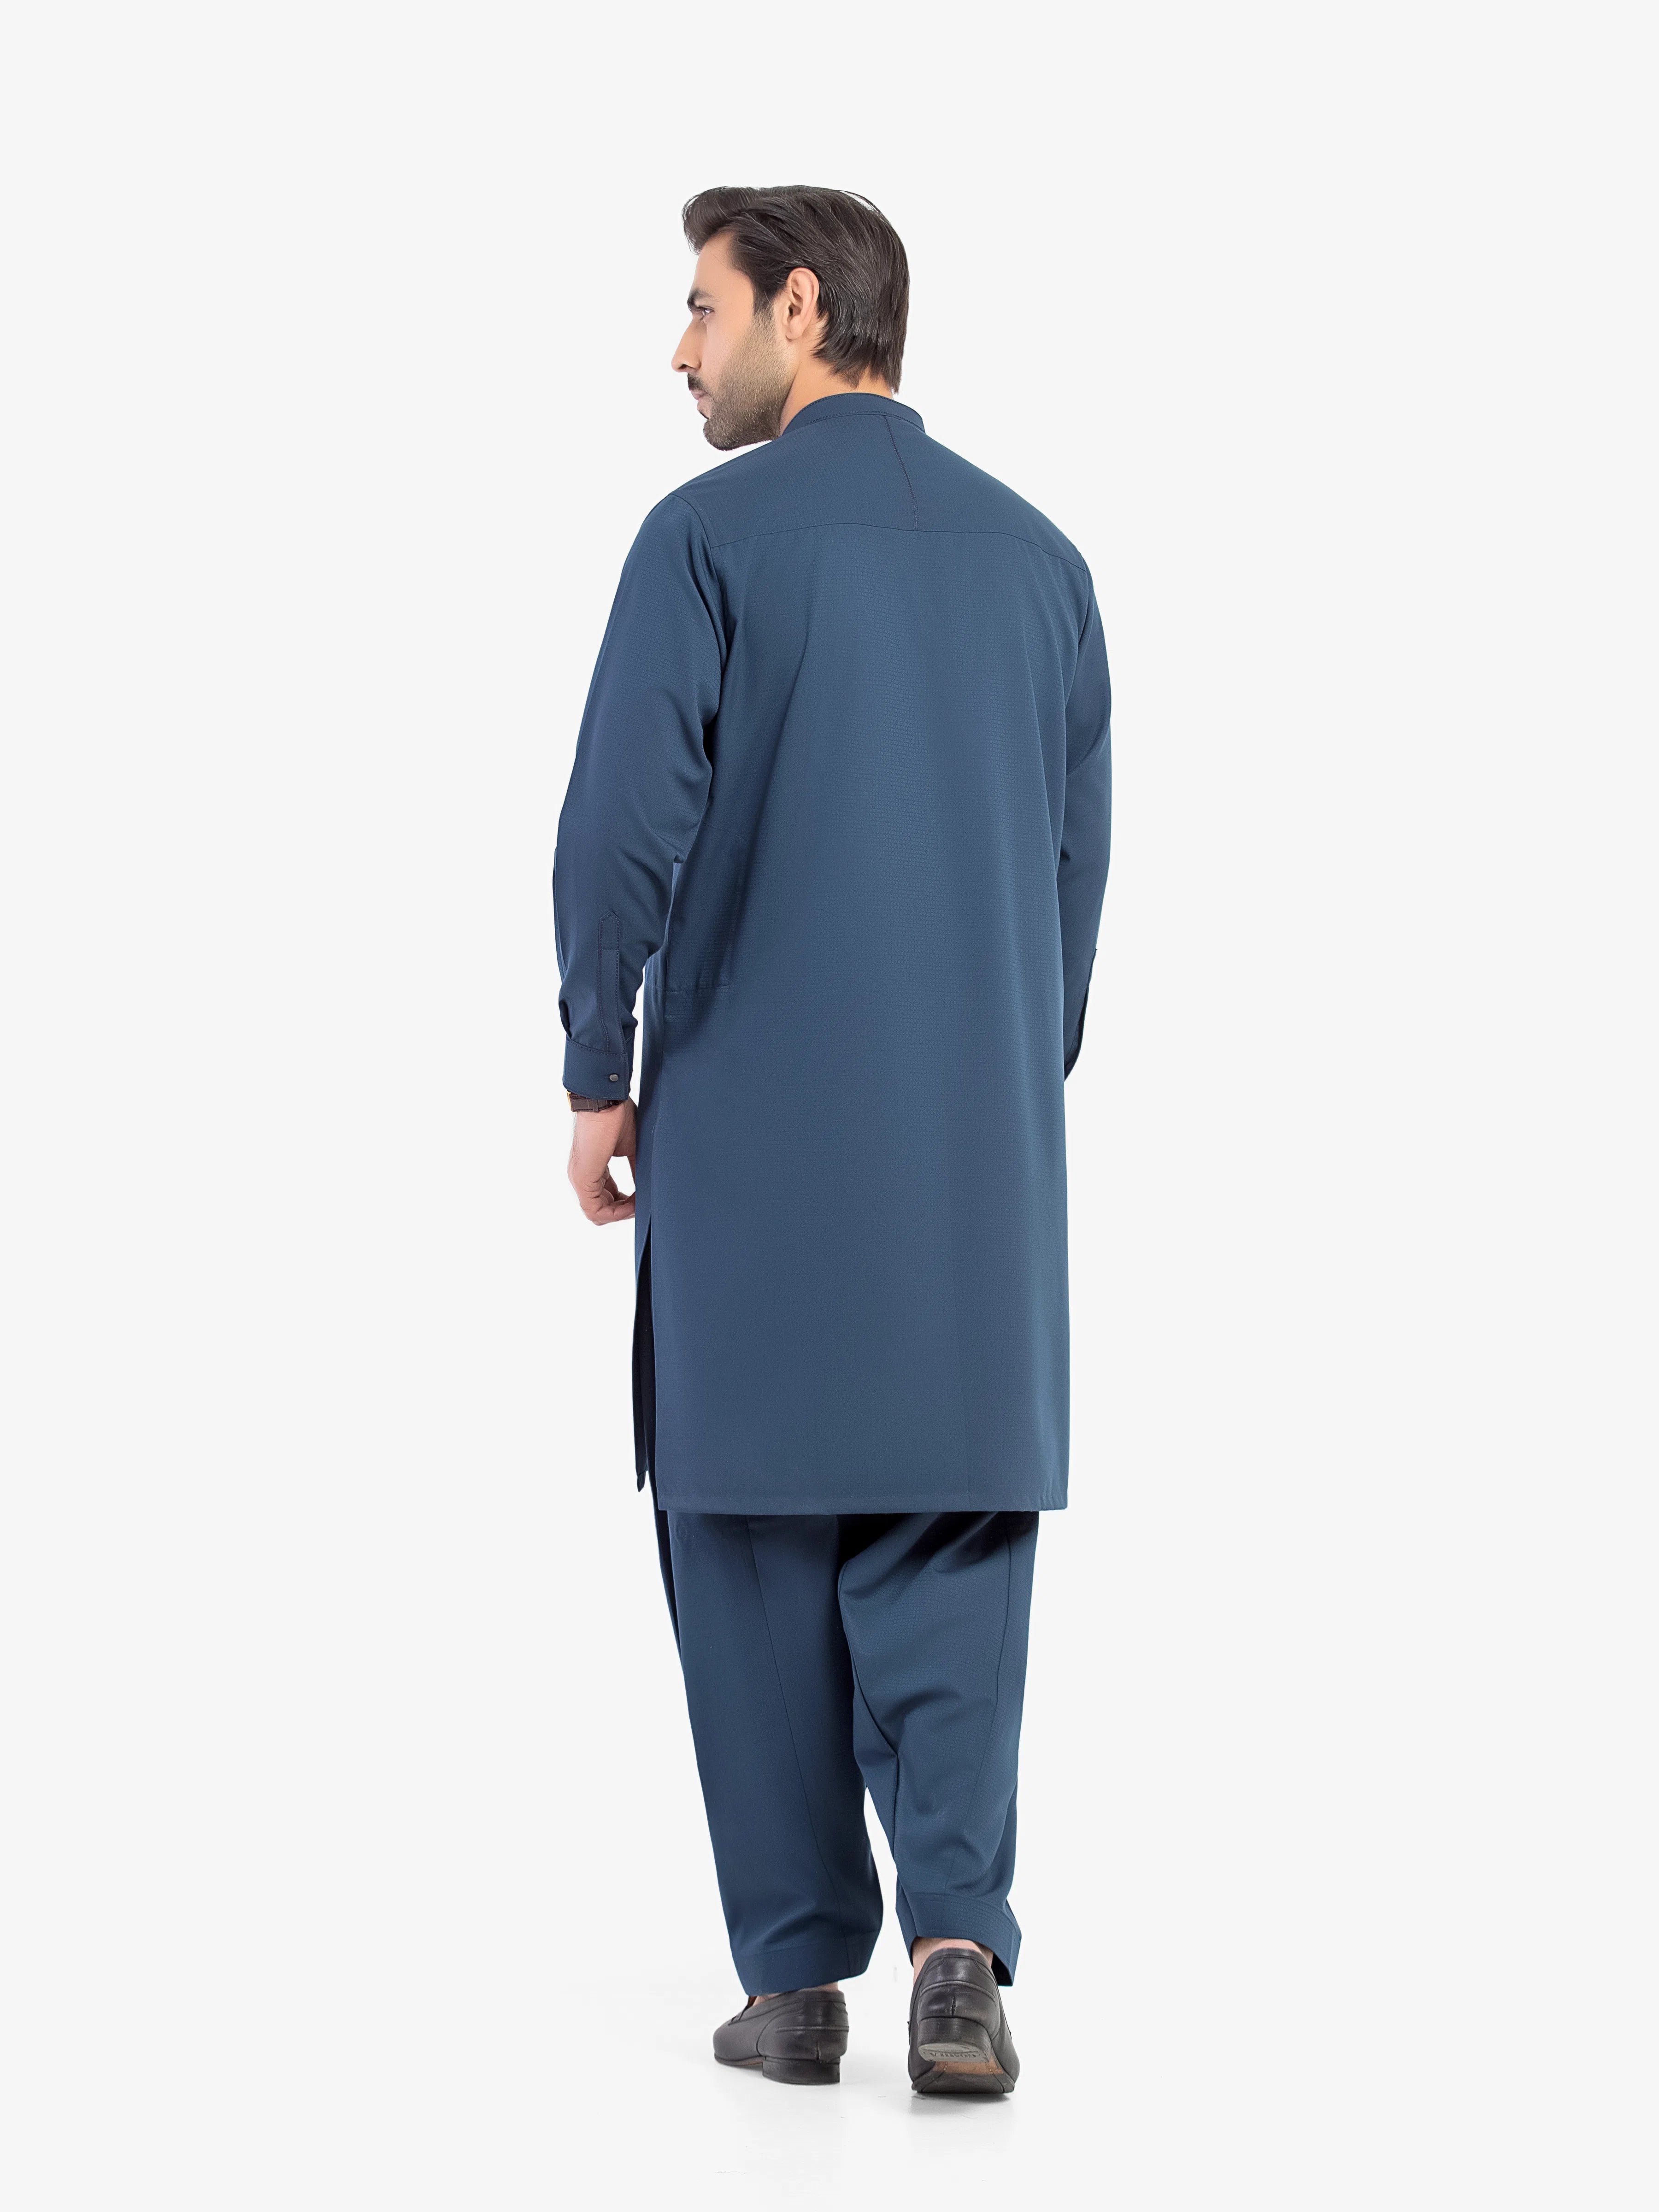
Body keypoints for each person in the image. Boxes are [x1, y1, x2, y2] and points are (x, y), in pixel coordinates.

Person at [553, 186, 1111, 2094]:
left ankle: (795, 1984)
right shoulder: (1043, 566)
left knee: (749, 1538)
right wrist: (1004, 1080)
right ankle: (958, 1959)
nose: (681, 349)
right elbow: (1072, 883)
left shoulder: (706, 543)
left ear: (802, 308)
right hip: (971, 1169)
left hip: (752, 1147)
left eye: (703, 309)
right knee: (953, 1534)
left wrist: (597, 1068)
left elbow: (618, 829)